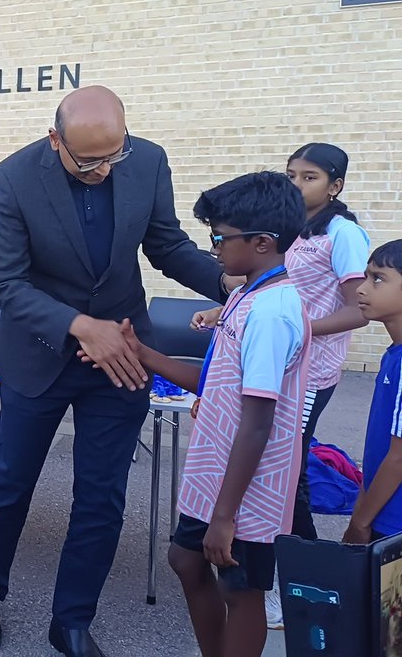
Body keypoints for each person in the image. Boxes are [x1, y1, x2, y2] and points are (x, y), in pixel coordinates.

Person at [0, 86, 234, 657]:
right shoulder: (12, 177)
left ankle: (73, 619)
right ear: (55, 139)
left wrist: (232, 284)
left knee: (102, 495)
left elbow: (166, 245)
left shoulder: (149, 161)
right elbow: (4, 281)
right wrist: (81, 325)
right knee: (9, 485)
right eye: (89, 160)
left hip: (123, 354)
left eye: (115, 155)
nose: (104, 170)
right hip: (39, 353)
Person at [109, 171, 308, 657]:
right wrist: (142, 352)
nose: (214, 247)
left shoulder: (272, 313)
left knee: (241, 589)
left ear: (262, 242)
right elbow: (214, 382)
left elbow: (258, 419)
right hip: (215, 469)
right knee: (185, 559)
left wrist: (225, 516)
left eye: (220, 236)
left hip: (249, 485)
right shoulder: (245, 295)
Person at [192, 143, 372, 627]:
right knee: (281, 471)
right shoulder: (291, 238)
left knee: (285, 476)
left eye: (309, 177)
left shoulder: (342, 234)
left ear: (334, 186)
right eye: (291, 174)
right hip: (267, 359)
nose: (297, 185)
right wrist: (222, 314)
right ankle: (289, 575)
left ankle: (296, 583)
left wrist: (295, 332)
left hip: (304, 370)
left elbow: (361, 307)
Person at [344, 240, 402, 546]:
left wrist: (361, 522)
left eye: (377, 278)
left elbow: (399, 458)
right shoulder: (392, 353)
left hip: (394, 525)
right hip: (380, 512)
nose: (361, 289)